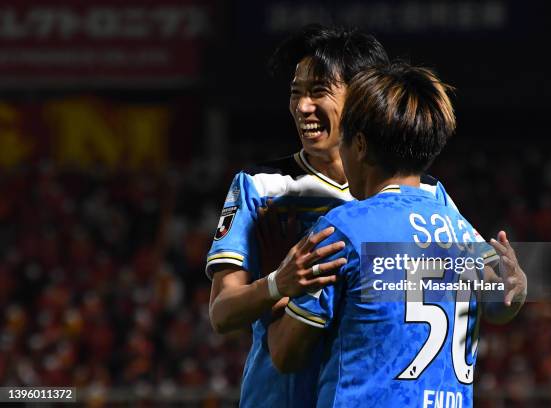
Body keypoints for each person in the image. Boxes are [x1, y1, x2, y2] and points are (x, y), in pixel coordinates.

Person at [206, 25, 498, 407]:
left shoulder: (425, 195)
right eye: (296, 94)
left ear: (363, 96)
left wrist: (511, 280)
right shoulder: (260, 188)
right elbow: (221, 313)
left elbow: (491, 285)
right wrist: (279, 283)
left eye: (318, 92)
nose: (302, 107)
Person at [267, 62, 527, 407]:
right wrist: (519, 286)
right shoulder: (460, 227)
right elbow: (503, 304)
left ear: (359, 145)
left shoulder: (344, 228)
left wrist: (274, 287)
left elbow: (286, 355)